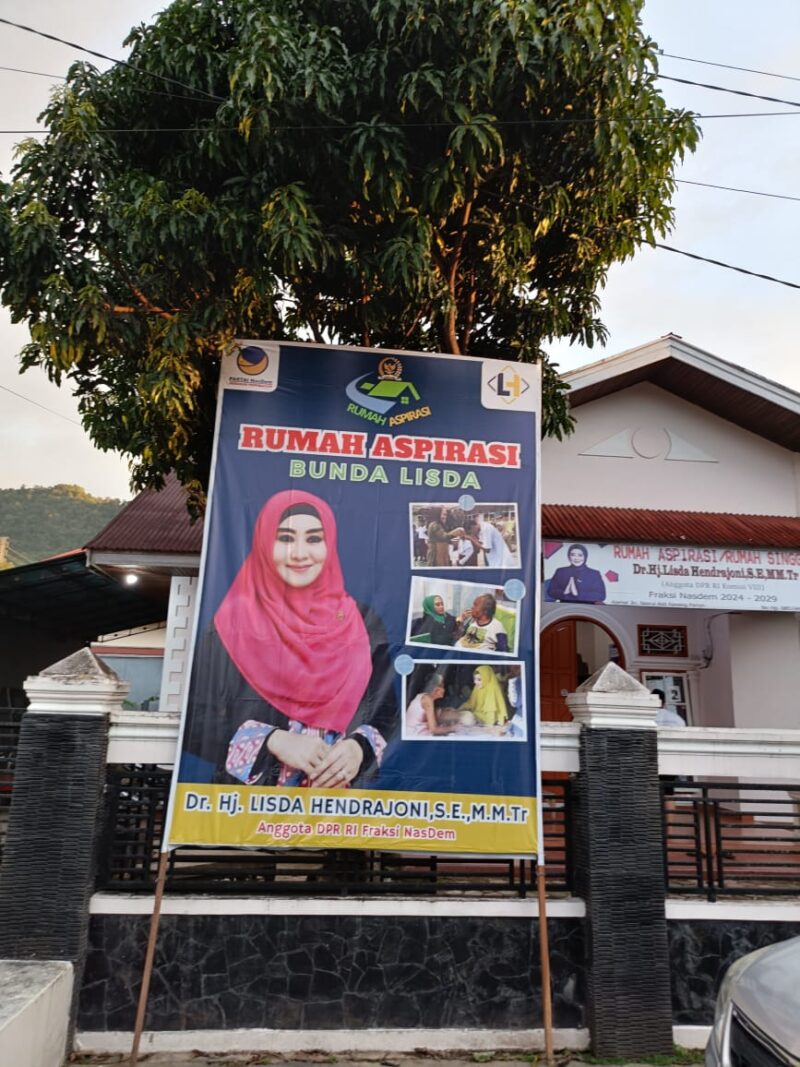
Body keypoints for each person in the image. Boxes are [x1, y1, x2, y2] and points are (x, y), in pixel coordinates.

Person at [181, 489, 395, 788]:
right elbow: (195, 719)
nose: (299, 553)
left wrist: (359, 746)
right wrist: (272, 740)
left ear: (329, 544)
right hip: (250, 816)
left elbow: (387, 710)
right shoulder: (233, 622)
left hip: (344, 816)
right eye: (284, 538)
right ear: (265, 543)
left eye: (313, 539)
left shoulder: (363, 620)